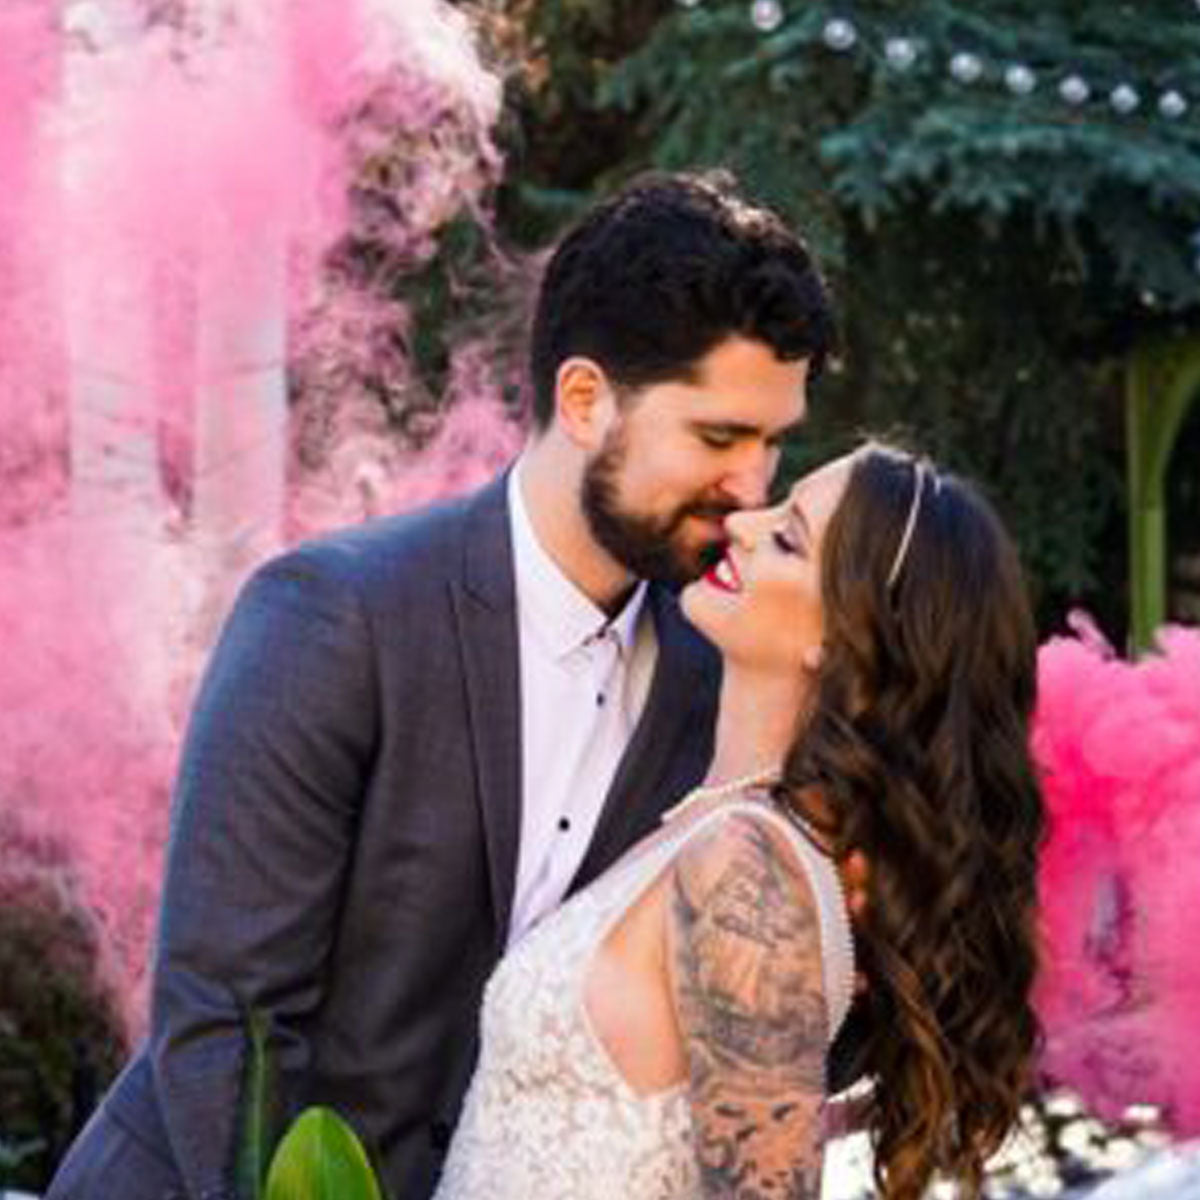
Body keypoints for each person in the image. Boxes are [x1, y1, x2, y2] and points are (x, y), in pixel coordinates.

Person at [46, 170, 835, 1200]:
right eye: (719, 438)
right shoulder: (332, 616)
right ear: (586, 400)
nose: (752, 490)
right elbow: (230, 1024)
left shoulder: (712, 680)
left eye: (774, 443)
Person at [432, 441, 1046, 1200]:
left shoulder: (746, 866)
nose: (745, 524)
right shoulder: (714, 827)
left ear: (841, 638)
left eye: (787, 538)